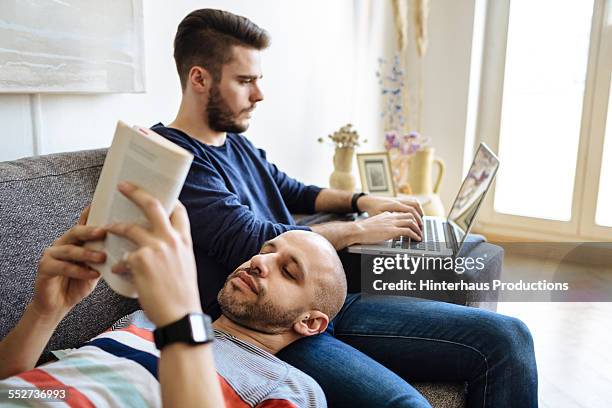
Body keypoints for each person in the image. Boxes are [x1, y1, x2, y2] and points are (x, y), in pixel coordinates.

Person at [150, 8, 539, 408]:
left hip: (325, 303)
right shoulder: (173, 156)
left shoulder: (234, 141)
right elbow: (250, 240)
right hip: (269, 323)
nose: (259, 94)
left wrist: (365, 202)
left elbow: (294, 190)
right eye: (245, 81)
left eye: (258, 80)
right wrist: (359, 230)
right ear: (199, 78)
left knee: (510, 338)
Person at [0, 182, 346, 408]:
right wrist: (46, 312)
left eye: (288, 270)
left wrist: (181, 321)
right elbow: (23, 391)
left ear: (310, 322)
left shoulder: (291, 389)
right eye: (265, 250)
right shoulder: (141, 320)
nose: (259, 261)